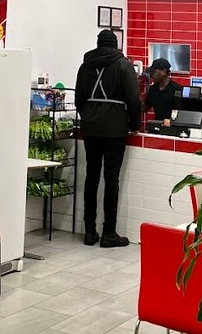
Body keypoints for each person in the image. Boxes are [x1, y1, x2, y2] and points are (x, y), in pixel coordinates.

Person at [75, 29, 142, 248]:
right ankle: (109, 233)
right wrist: (134, 125)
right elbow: (134, 99)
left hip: (90, 128)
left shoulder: (85, 66)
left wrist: (89, 115)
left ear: (98, 43)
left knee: (91, 177)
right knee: (111, 180)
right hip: (115, 129)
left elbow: (78, 99)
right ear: (115, 44)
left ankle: (89, 231)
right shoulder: (123, 65)